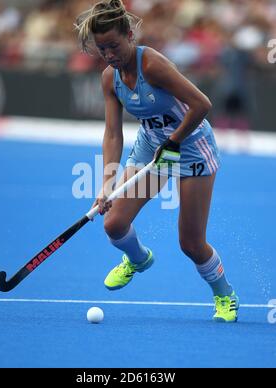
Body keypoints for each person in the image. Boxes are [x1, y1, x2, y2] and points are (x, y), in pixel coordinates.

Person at [75, 0, 239, 322]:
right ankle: (137, 259)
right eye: (102, 48)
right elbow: (112, 134)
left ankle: (224, 294)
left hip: (192, 147)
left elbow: (201, 105)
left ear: (130, 34)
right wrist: (107, 183)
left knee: (190, 243)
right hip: (152, 147)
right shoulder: (110, 78)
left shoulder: (151, 65)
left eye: (114, 45)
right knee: (114, 223)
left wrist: (174, 140)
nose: (109, 54)